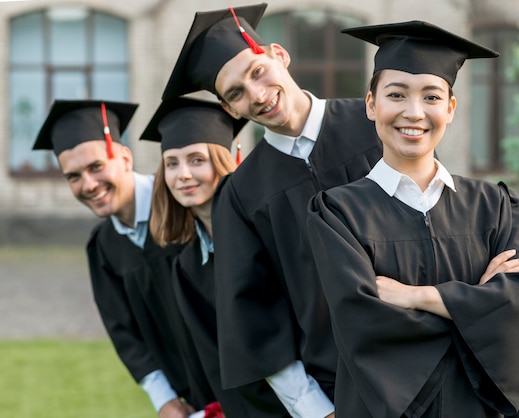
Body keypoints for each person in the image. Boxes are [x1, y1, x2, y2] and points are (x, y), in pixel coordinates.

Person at [306, 20, 519, 417]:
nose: (414, 112)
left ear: (450, 109)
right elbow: (364, 324)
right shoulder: (338, 213)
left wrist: (418, 297)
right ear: (371, 105)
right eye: (396, 94)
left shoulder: (497, 206)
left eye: (432, 97)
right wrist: (478, 306)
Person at [160, 4, 382, 417]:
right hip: (336, 390)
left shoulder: (376, 127)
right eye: (236, 94)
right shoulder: (242, 195)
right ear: (229, 110)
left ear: (278, 55)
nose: (257, 95)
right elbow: (255, 317)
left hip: (426, 363)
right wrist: (316, 409)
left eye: (256, 72)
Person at [32, 100, 215, 418]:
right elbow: (124, 333)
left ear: (125, 158)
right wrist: (164, 400)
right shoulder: (102, 247)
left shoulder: (185, 208)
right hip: (191, 403)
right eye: (73, 176)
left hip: (250, 386)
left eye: (96, 167)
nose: (88, 184)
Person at [142, 96, 289, 418]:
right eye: (172, 163)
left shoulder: (267, 234)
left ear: (226, 160)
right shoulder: (188, 265)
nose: (183, 174)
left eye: (196, 160)